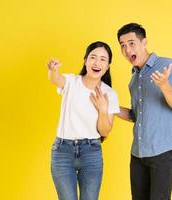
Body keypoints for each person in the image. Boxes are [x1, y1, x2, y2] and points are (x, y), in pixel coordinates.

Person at [116, 23, 172, 200]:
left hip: (162, 151)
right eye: (122, 45)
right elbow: (136, 115)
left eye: (131, 43)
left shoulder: (168, 66)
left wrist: (165, 86)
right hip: (138, 153)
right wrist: (109, 107)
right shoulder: (134, 79)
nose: (127, 49)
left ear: (144, 42)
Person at [47, 41, 120, 200]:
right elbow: (55, 79)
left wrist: (102, 109)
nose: (97, 62)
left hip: (91, 152)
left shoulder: (110, 93)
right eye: (93, 57)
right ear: (85, 60)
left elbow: (105, 131)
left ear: (107, 67)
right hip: (62, 152)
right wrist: (53, 70)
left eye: (102, 59)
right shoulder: (72, 82)